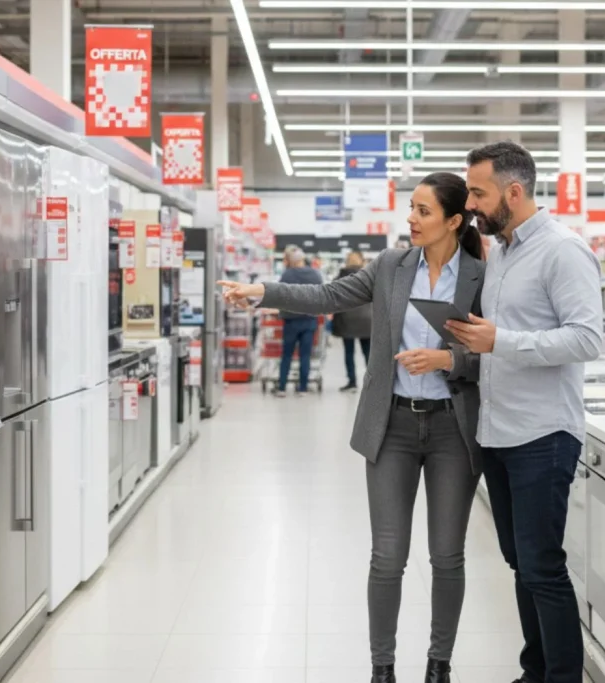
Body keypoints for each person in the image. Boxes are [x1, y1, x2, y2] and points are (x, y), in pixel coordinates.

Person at [219, 172, 486, 683]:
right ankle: (382, 669)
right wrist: (261, 291)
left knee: (447, 555)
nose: (411, 218)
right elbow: (327, 296)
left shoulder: (481, 276)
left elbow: (492, 353)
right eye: (411, 208)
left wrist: (449, 359)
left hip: (453, 430)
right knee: (387, 556)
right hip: (392, 426)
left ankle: (439, 666)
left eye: (424, 211)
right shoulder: (390, 266)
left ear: (454, 221)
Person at [445, 141, 603, 683]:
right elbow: (500, 336)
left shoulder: (563, 251)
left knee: (542, 565)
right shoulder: (503, 253)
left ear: (513, 192)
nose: (470, 204)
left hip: (543, 434)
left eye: (478, 193)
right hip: (499, 431)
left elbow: (586, 338)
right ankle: (535, 672)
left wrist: (501, 341)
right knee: (520, 563)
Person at [274, 248, 323, 396]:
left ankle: (282, 387)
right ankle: (303, 388)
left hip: (291, 320)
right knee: (305, 355)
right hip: (309, 319)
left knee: (287, 354)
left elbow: (279, 294)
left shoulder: (287, 274)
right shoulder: (315, 274)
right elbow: (321, 295)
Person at [332, 250, 373, 391]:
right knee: (368, 353)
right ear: (362, 261)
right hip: (367, 320)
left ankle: (352, 382)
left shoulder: (340, 277)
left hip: (346, 320)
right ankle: (371, 383)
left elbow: (333, 299)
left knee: (349, 353)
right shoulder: (370, 276)